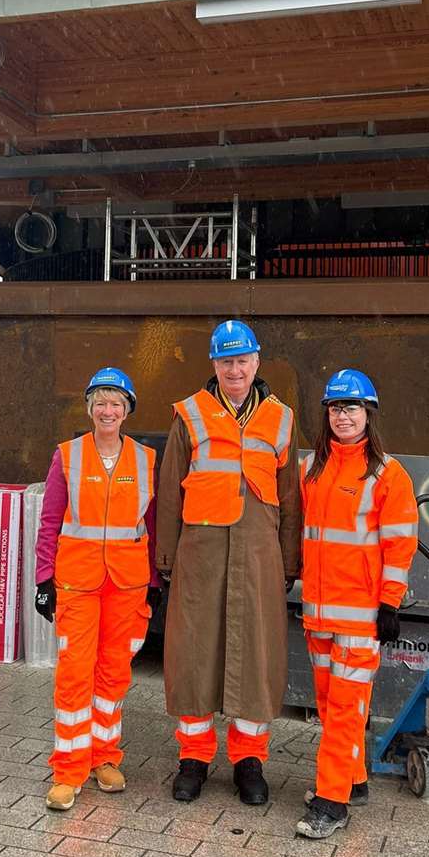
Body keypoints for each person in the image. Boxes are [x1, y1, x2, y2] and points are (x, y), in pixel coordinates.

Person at [156, 319, 301, 806]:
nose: (234, 369)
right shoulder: (189, 414)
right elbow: (170, 488)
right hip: (200, 553)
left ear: (257, 362)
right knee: (193, 652)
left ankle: (248, 760)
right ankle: (194, 757)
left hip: (259, 553)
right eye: (226, 361)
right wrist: (167, 557)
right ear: (214, 365)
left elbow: (290, 496)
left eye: (242, 361)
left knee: (255, 653)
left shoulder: (281, 418)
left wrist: (288, 561)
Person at [295, 369, 418, 840]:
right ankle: (355, 780)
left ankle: (332, 802)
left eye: (351, 408)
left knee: (345, 708)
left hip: (361, 616)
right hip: (319, 613)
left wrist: (389, 603)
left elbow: (400, 543)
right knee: (330, 706)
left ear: (369, 413)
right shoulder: (315, 468)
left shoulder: (388, 474)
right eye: (334, 408)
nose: (342, 416)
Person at [34, 367, 160, 811]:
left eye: (116, 404)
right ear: (90, 409)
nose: (108, 411)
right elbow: (50, 520)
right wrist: (43, 579)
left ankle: (105, 757)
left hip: (127, 582)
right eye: (101, 403)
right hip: (78, 581)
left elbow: (155, 525)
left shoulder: (146, 460)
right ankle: (68, 769)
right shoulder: (67, 456)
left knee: (113, 675)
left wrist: (156, 580)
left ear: (127, 411)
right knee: (74, 673)